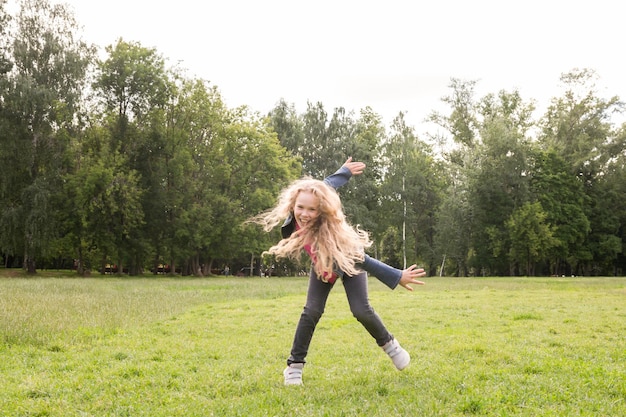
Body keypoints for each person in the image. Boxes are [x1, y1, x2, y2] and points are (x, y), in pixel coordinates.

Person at [252, 157, 426, 385]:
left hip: (349, 263)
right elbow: (326, 185)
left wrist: (397, 276)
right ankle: (294, 367)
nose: (304, 214)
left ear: (322, 210)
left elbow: (363, 260)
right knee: (311, 312)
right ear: (293, 203)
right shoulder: (297, 213)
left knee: (361, 310)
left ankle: (390, 345)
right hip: (322, 268)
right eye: (300, 207)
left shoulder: (333, 233)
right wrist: (343, 171)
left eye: (312, 210)